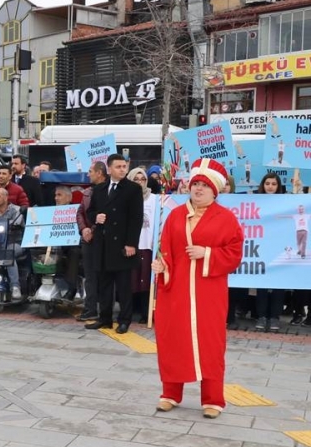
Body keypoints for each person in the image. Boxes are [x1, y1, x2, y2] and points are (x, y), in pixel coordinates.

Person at [152, 158, 244, 419]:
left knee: (210, 344)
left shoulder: (226, 219)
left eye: (204, 185)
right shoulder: (175, 215)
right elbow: (166, 247)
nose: (199, 189)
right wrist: (162, 265)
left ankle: (213, 399)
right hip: (176, 289)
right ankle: (170, 393)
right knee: (173, 339)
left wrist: (207, 253)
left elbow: (235, 253)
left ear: (215, 190)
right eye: (196, 184)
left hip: (209, 292)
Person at [84, 154, 144, 334]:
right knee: (104, 284)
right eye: (118, 167)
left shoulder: (132, 189)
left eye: (124, 166)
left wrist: (131, 243)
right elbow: (91, 211)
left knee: (124, 286)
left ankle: (124, 320)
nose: (122, 170)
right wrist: (96, 217)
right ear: (109, 169)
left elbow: (136, 218)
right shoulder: (100, 188)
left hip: (122, 244)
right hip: (102, 244)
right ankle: (105, 318)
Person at [253, 173, 286, 332]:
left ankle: (275, 317)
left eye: (274, 184)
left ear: (278, 186)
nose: (270, 186)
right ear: (263, 185)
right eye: (267, 183)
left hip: (279, 248)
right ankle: (261, 316)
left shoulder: (286, 202)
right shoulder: (256, 201)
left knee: (279, 284)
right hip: (261, 248)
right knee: (262, 285)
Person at [76, 161, 106, 323]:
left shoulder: (108, 191)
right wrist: (84, 230)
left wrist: (92, 230)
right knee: (90, 276)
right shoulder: (87, 192)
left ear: (99, 172)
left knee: (103, 276)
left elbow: (104, 215)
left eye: (91, 171)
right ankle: (90, 308)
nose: (88, 174)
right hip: (87, 239)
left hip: (102, 239)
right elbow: (80, 212)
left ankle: (104, 309)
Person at [129, 167, 155, 324]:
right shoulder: (126, 197)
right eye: (136, 179)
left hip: (147, 244)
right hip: (132, 244)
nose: (139, 182)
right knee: (131, 280)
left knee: (145, 280)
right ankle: (129, 311)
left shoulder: (154, 199)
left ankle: (146, 313)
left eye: (143, 179)